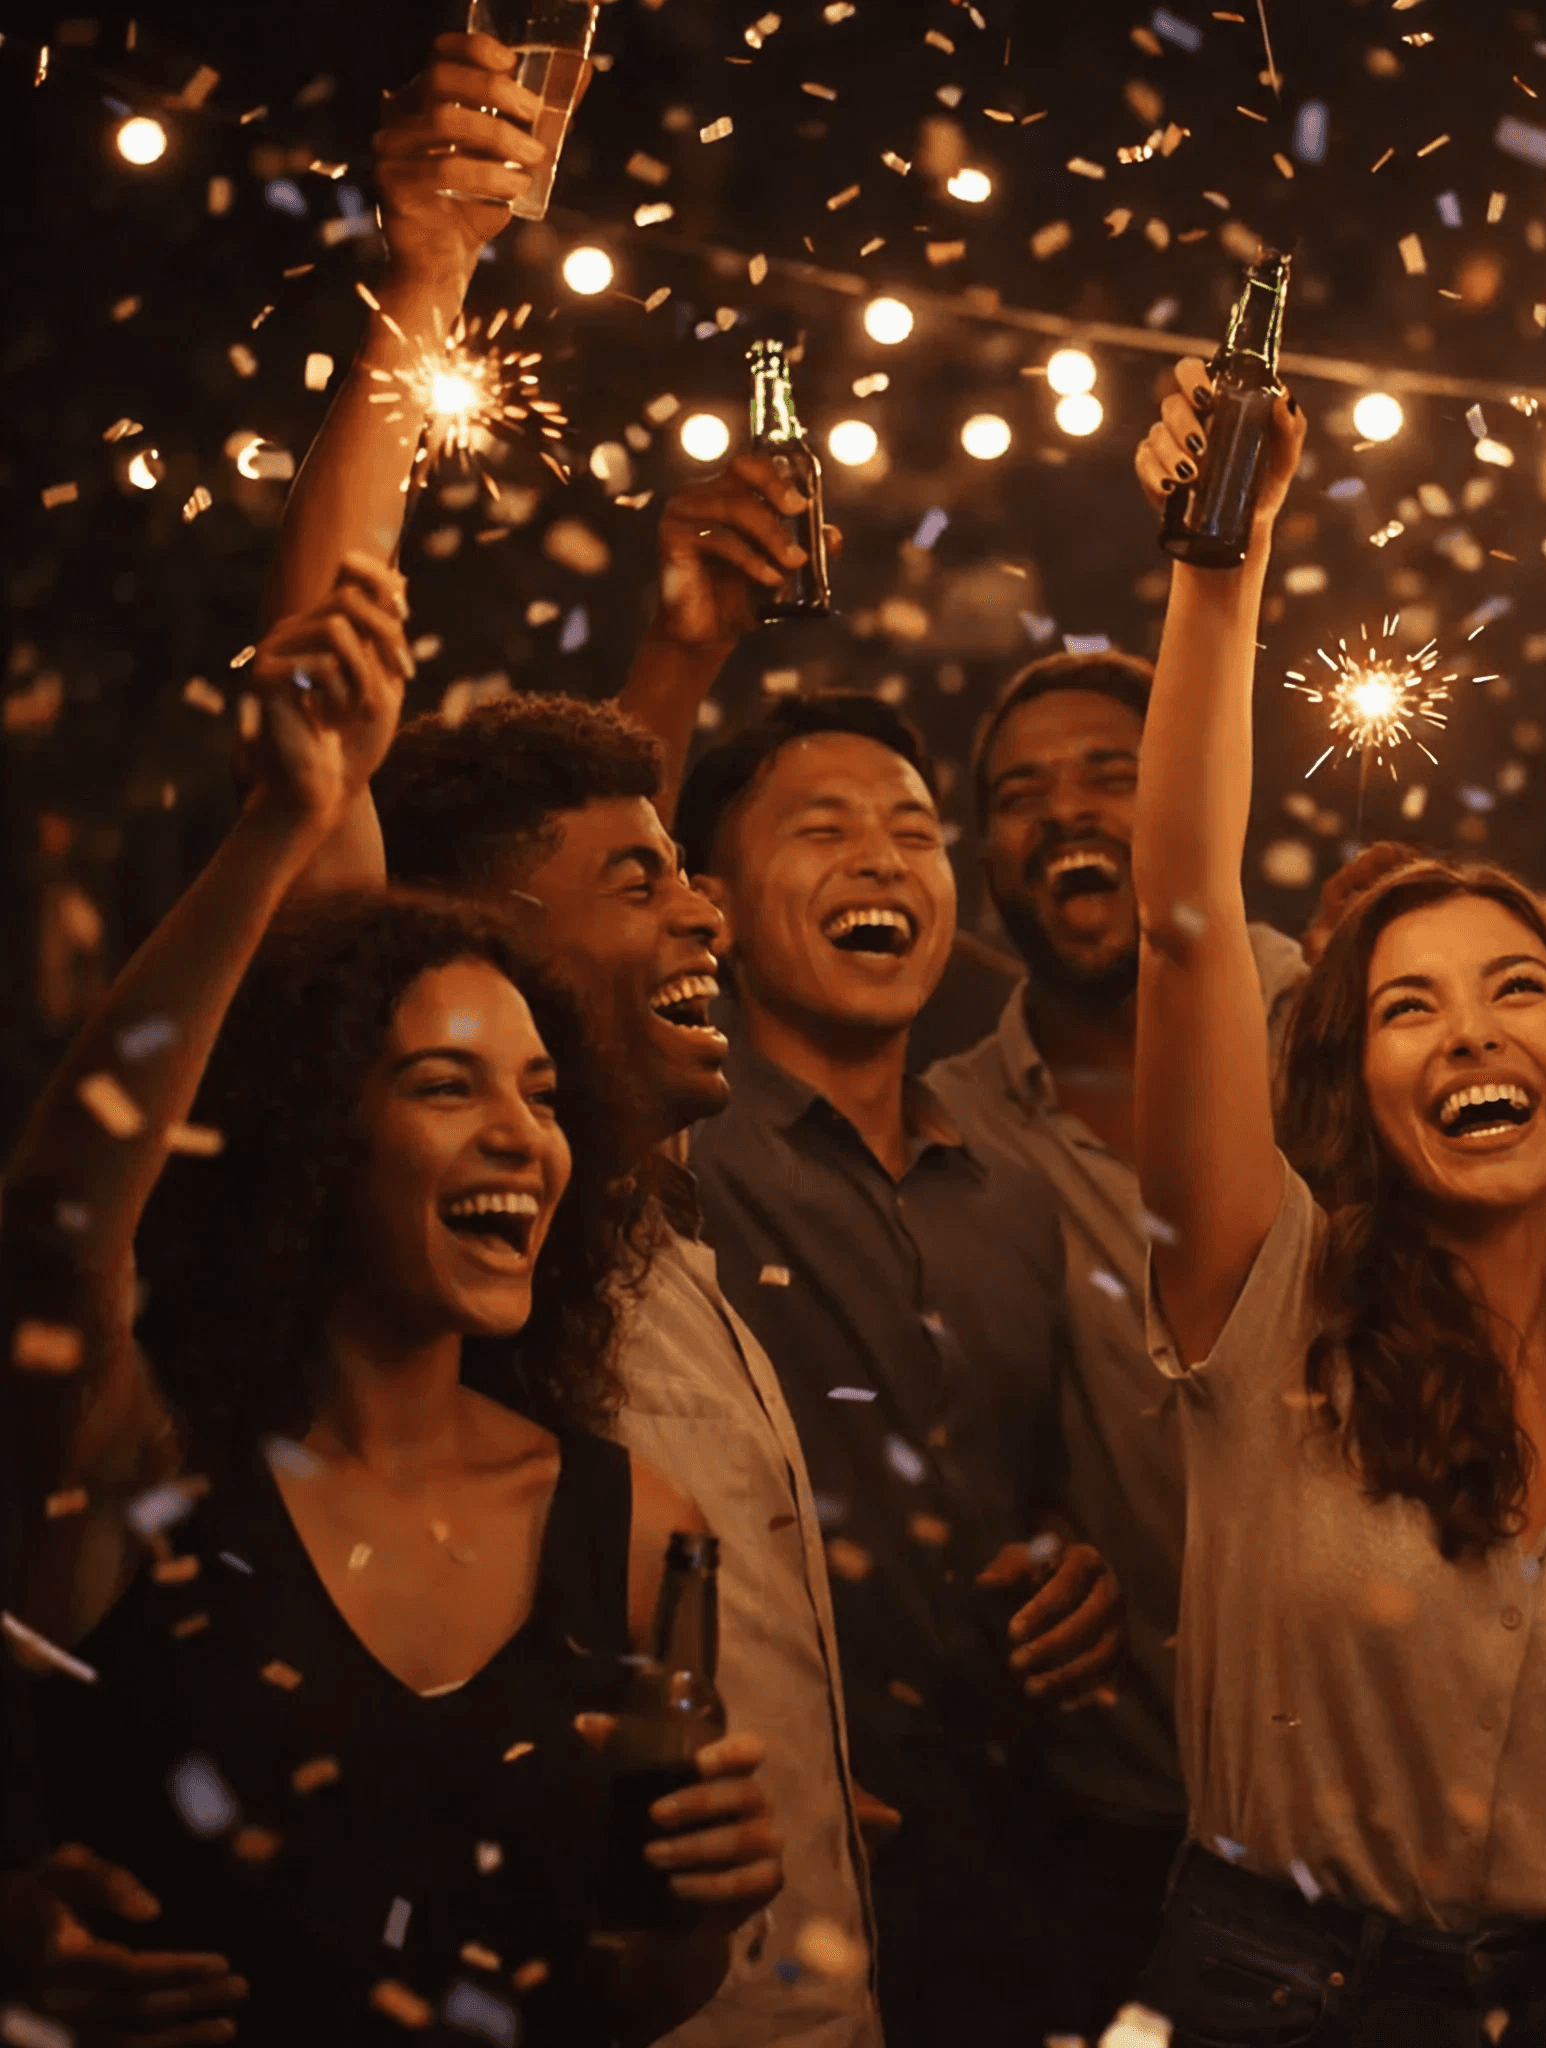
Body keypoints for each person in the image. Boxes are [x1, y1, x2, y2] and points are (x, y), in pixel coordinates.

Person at [249, 40, 886, 2043]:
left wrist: (686, 645)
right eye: (646, 881)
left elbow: (606, 881)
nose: (707, 910)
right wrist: (428, 272)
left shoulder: (639, 1228)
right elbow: (326, 735)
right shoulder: (459, 1260)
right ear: (477, 963)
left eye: (688, 872)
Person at [2, 573, 782, 2045]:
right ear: (313, 1143)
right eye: (444, 1085)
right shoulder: (150, 1468)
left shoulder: (636, 1527)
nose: (522, 1138)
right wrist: (278, 828)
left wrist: (708, 1907)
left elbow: (638, 1989)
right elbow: (55, 1229)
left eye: (542, 1094)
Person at [1126, 359, 1546, 2043]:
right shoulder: (1268, 1302)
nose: (1469, 1030)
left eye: (1516, 989)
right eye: (1409, 1006)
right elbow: (1183, 918)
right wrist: (1223, 563)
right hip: (1267, 1999)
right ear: (1362, 1093)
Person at [670, 691, 1129, 2048]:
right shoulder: (668, 1162)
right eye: (823, 830)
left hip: (1007, 1867)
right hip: (748, 1879)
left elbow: (1029, 1492)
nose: (881, 859)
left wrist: (1075, 1570)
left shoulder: (1013, 1201)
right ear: (710, 906)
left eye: (914, 833)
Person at [922, 647, 1314, 2006]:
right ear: (985, 860)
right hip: (1124, 1829)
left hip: (1403, 1807)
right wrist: (1023, 1532)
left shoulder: (1341, 1027)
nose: (1068, 811)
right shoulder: (946, 1128)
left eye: (1111, 772)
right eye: (1020, 795)